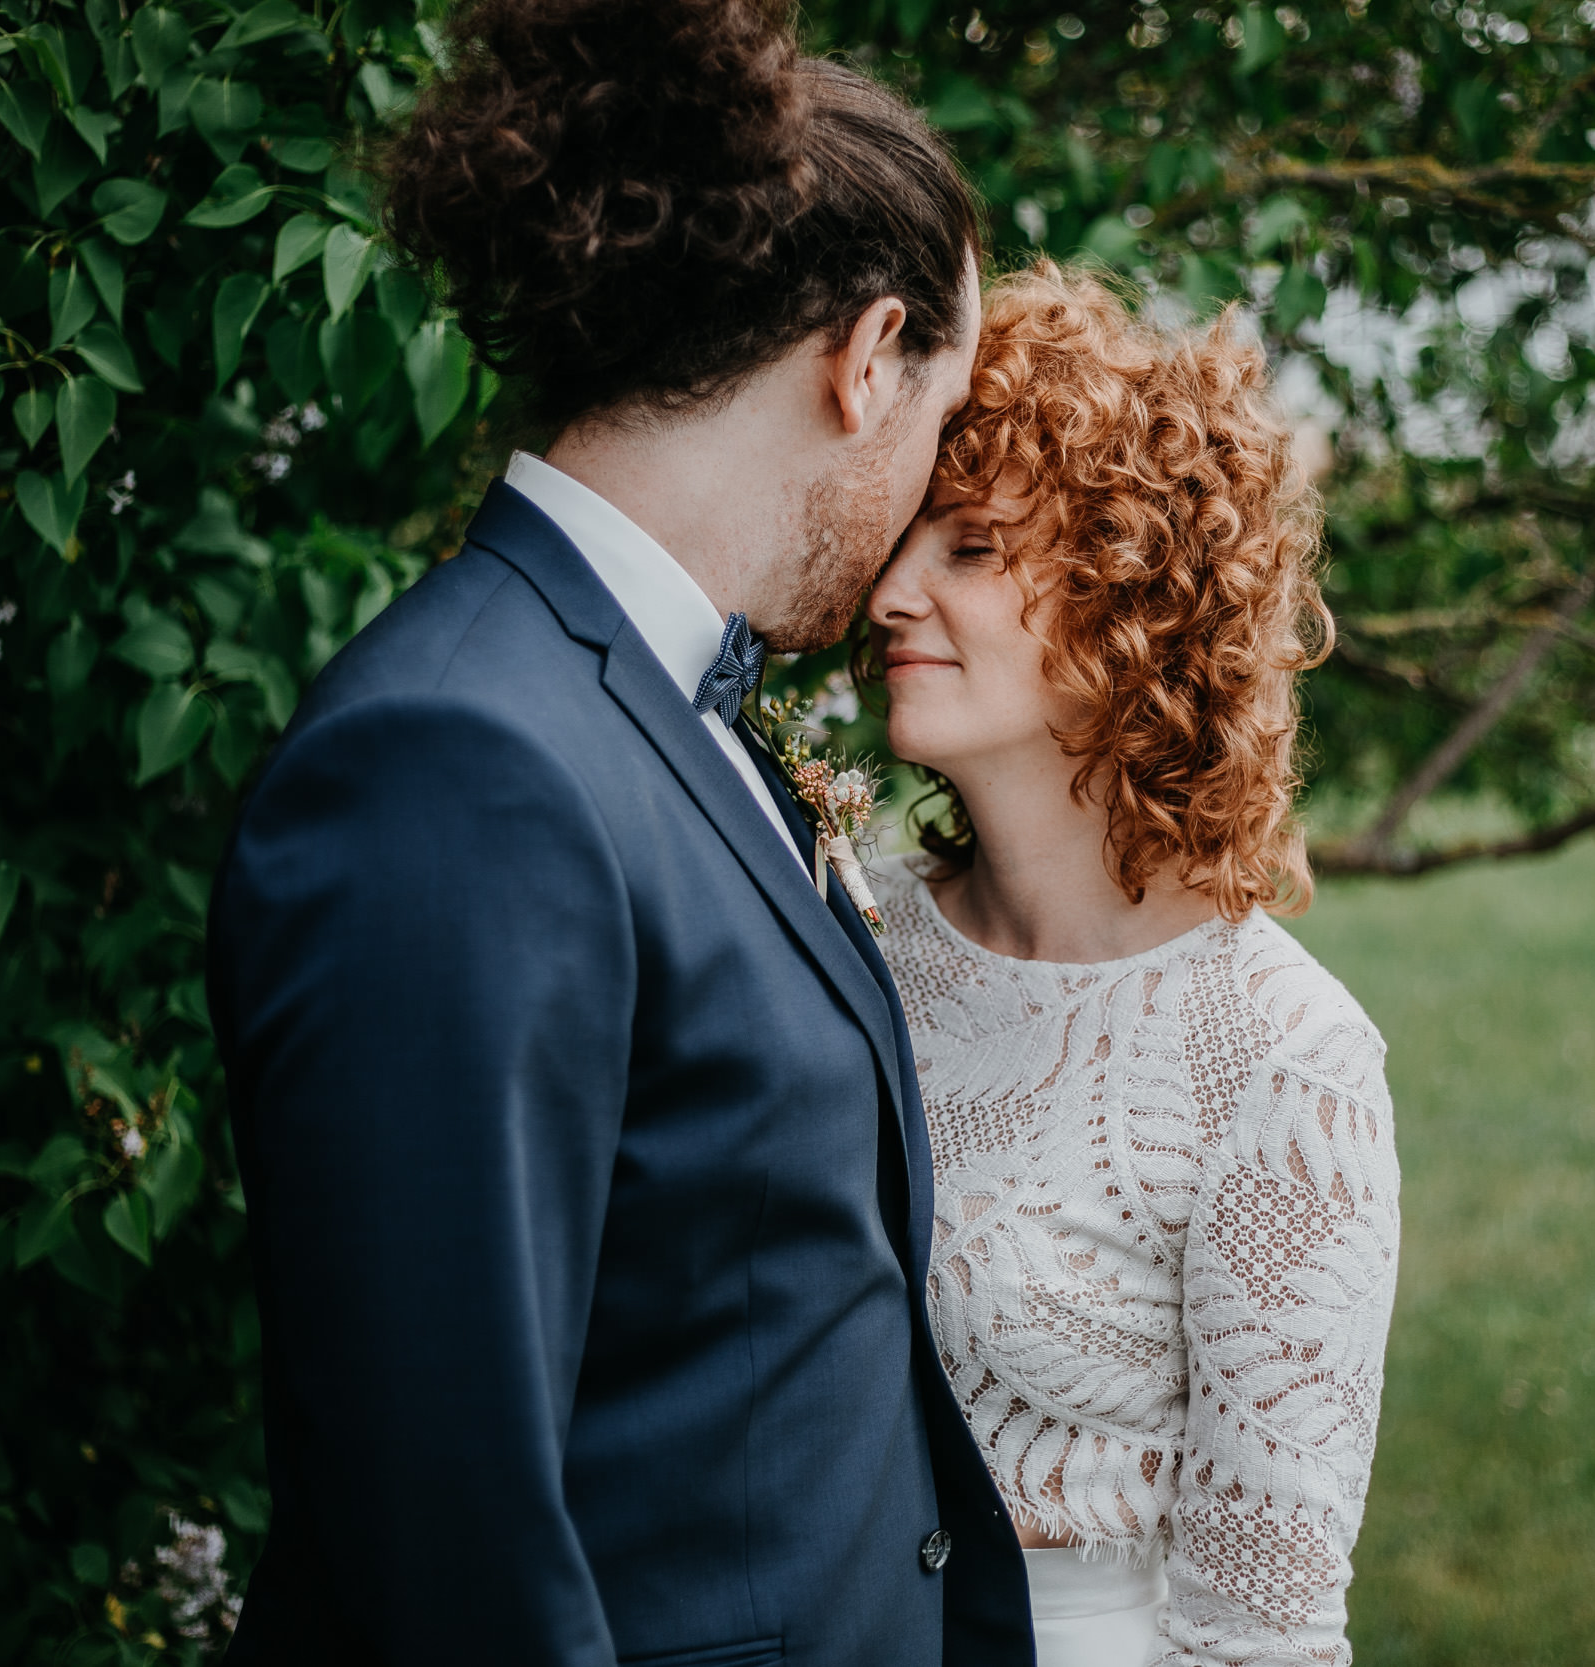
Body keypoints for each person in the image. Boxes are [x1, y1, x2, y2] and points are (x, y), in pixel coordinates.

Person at [203, 1, 1031, 1660]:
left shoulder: (662, 719)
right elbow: (444, 1551)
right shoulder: (458, 761)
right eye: (939, 423)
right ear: (867, 365)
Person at [865, 263, 1403, 1667]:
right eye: (905, 537)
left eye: (971, 549)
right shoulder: (845, 928)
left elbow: (1265, 1633)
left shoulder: (1281, 1059)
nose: (891, 591)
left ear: (1134, 611)